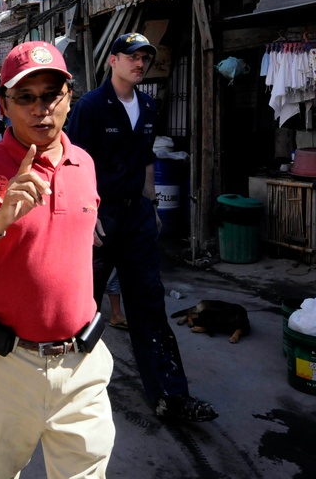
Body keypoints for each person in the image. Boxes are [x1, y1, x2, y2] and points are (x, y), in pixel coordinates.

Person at [0, 40, 114, 478]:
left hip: (81, 368)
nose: (41, 108)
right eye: (25, 98)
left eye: (51, 94)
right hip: (5, 367)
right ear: (4, 106)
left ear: (69, 98)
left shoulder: (84, 163)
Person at [66, 32, 218, 423]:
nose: (140, 63)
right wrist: (88, 210)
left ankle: (172, 394)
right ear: (113, 60)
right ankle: (64, 390)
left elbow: (146, 159)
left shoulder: (149, 105)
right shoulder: (91, 106)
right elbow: (72, 161)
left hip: (136, 218)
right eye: (132, 56)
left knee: (149, 304)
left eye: (145, 58)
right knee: (82, 306)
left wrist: (151, 204)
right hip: (100, 215)